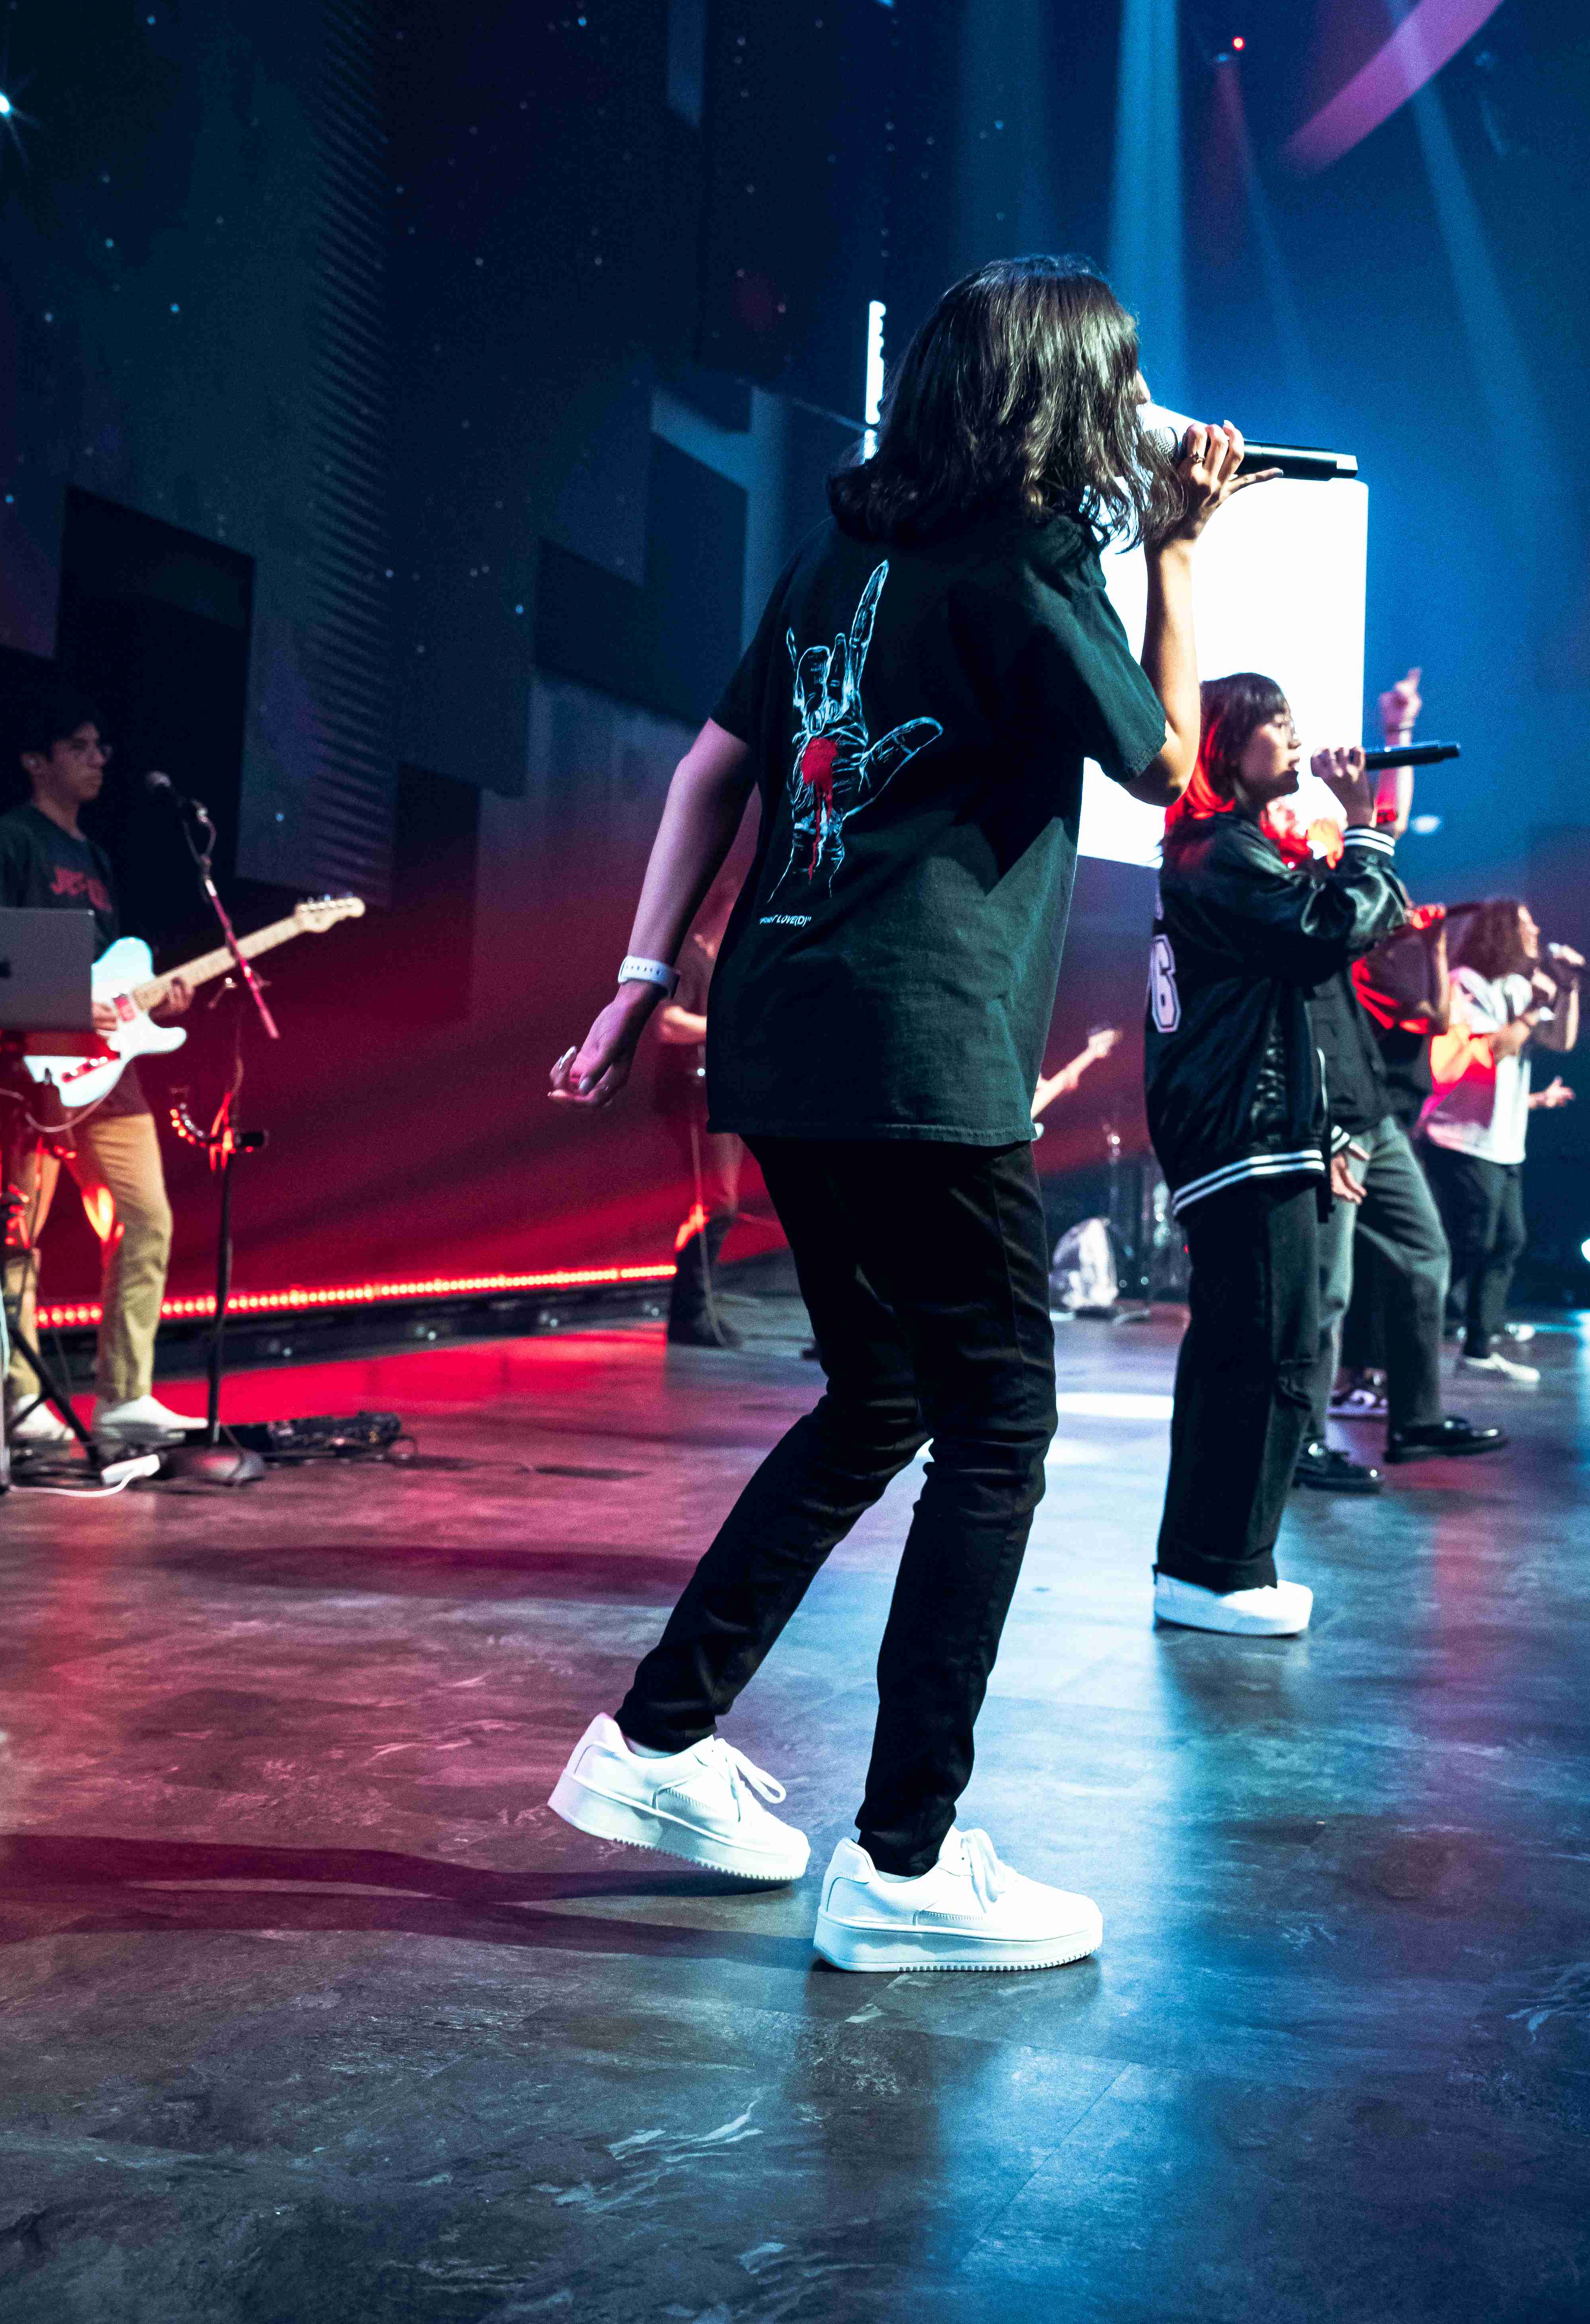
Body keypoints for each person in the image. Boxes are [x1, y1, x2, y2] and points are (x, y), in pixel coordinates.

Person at [544, 256, 1264, 1975]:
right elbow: (1165, 763)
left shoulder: (844, 547)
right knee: (997, 1429)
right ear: (1070, 396)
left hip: (782, 1032)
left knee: (880, 1401)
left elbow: (709, 765)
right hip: (912, 1041)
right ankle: (904, 1862)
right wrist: (1176, 549)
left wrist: (646, 972)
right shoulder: (1031, 557)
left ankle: (653, 1743)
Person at [1142, 674, 1406, 1642]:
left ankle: (1202, 1567)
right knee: (1271, 1354)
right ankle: (1222, 1571)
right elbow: (1330, 931)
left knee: (1237, 1355)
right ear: (1225, 745)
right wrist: (1367, 829)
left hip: (1242, 1135)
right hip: (1244, 1142)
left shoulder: (1217, 851)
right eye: (1277, 725)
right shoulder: (1222, 852)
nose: (1298, 740)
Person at [0, 686, 200, 1456]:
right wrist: (68, 1001)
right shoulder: (10, 841)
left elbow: (109, 977)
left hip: (110, 1076)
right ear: (37, 760)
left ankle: (124, 1396)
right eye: (81, 746)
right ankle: (22, 1401)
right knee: (15, 1234)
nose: (100, 758)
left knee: (148, 1219)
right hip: (26, 1071)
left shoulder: (96, 857)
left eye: (102, 746)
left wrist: (152, 1001)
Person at [1305, 668, 1507, 1474]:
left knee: (1425, 1250)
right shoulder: (1309, 894)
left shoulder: (1367, 902)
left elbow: (1383, 820)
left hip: (1375, 1110)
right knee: (1326, 1288)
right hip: (1334, 1113)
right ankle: (1305, 1441)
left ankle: (1415, 1418)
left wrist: (1395, 736)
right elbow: (1376, 824)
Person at [1419, 899, 1580, 1385]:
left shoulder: (1519, 987)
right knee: (1470, 1243)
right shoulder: (1466, 984)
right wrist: (1535, 1008)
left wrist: (1566, 989)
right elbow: (1492, 1048)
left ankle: (1478, 1349)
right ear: (1503, 934)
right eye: (1528, 928)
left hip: (1504, 1140)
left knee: (1508, 1240)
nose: (1536, 935)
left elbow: (1561, 1042)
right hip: (1458, 1137)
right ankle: (1409, 1333)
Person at [649, 873, 749, 1351]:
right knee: (713, 1202)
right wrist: (725, 1027)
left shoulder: (720, 961)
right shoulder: (687, 956)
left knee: (717, 1203)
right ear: (725, 901)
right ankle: (691, 1315)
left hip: (718, 1096)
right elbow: (666, 1023)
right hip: (692, 1095)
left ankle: (695, 1313)